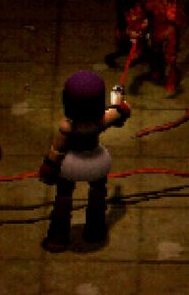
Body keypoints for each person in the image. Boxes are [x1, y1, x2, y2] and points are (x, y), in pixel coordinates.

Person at [38, 70, 131, 252]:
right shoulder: (102, 121)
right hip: (96, 162)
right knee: (98, 193)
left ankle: (58, 236)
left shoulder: (67, 127)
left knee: (63, 196)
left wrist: (49, 166)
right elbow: (123, 111)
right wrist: (118, 101)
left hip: (71, 164)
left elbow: (57, 150)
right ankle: (95, 230)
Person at [129, 0, 187, 95]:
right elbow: (138, 15)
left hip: (166, 25)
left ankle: (172, 72)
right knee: (153, 47)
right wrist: (136, 27)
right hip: (153, 24)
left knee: (171, 49)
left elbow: (181, 19)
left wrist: (174, 16)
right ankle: (156, 67)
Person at [103, 0, 145, 68]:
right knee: (121, 27)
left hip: (135, 6)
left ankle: (137, 50)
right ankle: (124, 46)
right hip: (123, 5)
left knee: (135, 28)